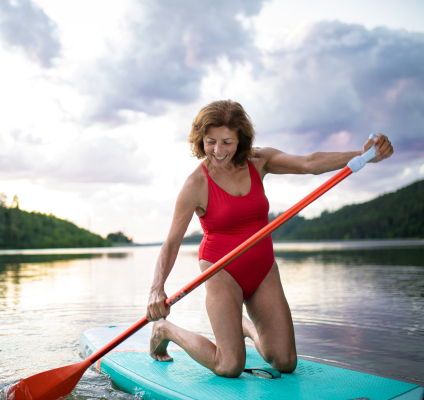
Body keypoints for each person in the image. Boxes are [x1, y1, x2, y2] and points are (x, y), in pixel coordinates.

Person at [146, 100, 394, 377]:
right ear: (200, 140)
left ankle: (245, 327)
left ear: (241, 139)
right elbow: (172, 242)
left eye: (227, 142)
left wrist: (364, 154)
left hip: (262, 268)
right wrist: (157, 288)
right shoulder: (196, 184)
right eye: (210, 141)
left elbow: (308, 163)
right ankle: (165, 330)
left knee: (285, 361)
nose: (218, 150)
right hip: (221, 269)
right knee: (229, 366)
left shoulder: (258, 161)